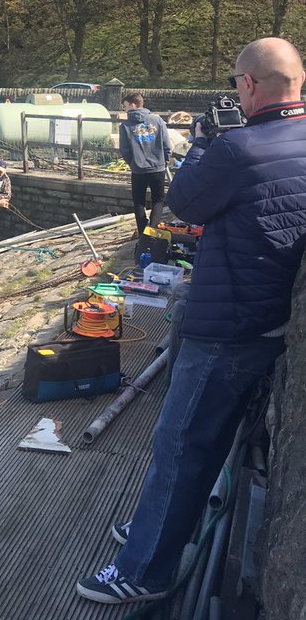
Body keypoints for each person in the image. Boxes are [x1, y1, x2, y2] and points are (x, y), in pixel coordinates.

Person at [77, 37, 306, 604]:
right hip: (268, 318)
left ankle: (145, 569)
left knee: (180, 444)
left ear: (248, 85)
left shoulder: (238, 149)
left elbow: (183, 203)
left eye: (235, 84)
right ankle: (158, 525)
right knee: (203, 440)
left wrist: (204, 143)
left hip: (225, 325)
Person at [119, 92, 172, 236]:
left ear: (133, 105)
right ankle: (152, 230)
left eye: (125, 106)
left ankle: (143, 231)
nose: (124, 109)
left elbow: (124, 150)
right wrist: (165, 160)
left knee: (139, 202)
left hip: (138, 169)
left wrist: (132, 163)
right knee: (158, 201)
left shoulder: (125, 125)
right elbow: (167, 144)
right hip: (158, 167)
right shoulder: (158, 120)